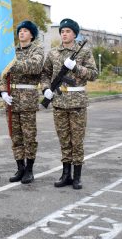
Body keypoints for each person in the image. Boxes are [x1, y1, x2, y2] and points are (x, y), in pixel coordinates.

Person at [40, 18, 97, 190]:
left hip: (77, 103)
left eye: (68, 31)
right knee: (64, 140)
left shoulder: (84, 52)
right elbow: (45, 74)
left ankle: (77, 177)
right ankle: (66, 174)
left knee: (77, 141)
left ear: (74, 34)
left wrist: (76, 67)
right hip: (59, 102)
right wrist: (45, 89)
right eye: (62, 31)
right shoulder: (53, 53)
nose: (64, 34)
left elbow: (94, 74)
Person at [0, 20, 44, 184]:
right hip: (11, 99)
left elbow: (35, 66)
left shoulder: (36, 50)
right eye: (20, 30)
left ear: (32, 34)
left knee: (29, 136)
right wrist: (2, 91)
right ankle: (20, 168)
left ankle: (29, 169)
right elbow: (1, 73)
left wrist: (12, 64)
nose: (21, 33)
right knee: (15, 136)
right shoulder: (10, 51)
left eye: (25, 31)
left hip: (27, 100)